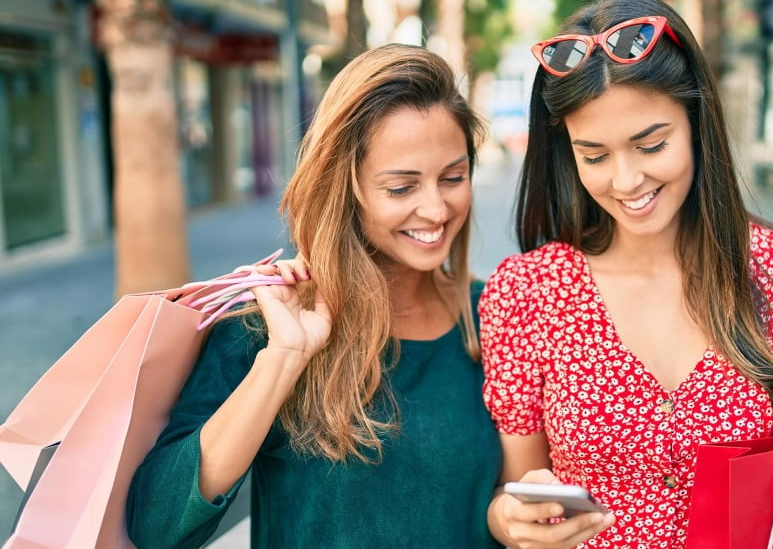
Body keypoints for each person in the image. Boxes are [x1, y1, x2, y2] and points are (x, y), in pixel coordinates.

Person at [478, 0, 773, 548]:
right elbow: (517, 486)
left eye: (652, 144)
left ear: (697, 123)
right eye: (593, 155)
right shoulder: (527, 292)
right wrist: (511, 520)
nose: (626, 180)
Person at [126, 43, 503, 549]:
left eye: (453, 178)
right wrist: (283, 359)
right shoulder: (265, 327)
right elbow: (159, 526)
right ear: (345, 189)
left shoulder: (500, 314)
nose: (436, 209)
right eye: (401, 188)